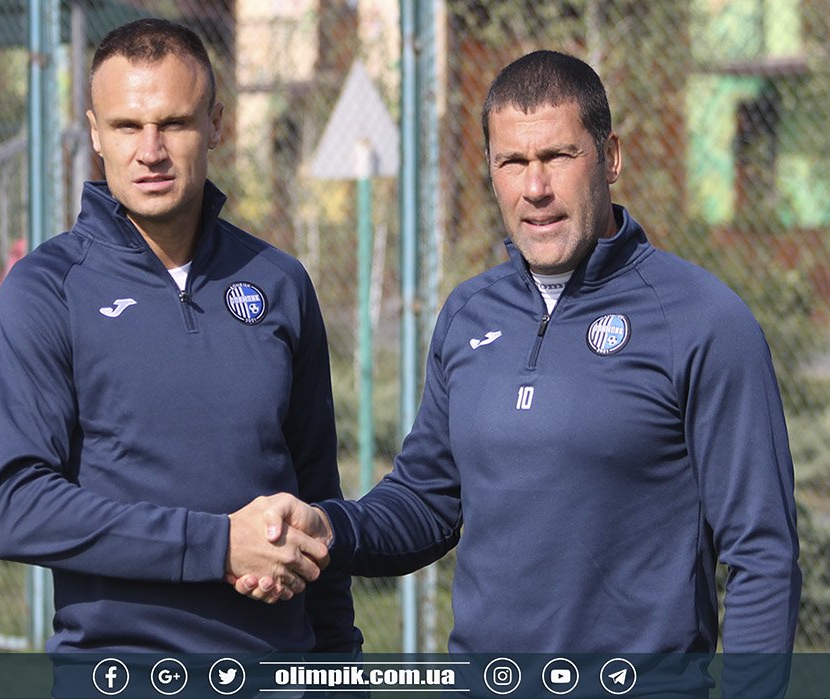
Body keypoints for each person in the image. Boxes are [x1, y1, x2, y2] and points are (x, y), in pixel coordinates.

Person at [236, 50, 802, 657]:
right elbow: (427, 501)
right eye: (513, 162)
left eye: (558, 156)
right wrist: (331, 528)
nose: (535, 189)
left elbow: (762, 552)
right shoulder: (469, 313)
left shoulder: (703, 320)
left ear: (610, 157)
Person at [0, 18, 360, 654]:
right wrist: (216, 546)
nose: (150, 151)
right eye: (127, 126)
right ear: (95, 133)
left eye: (174, 124)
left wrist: (339, 666)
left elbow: (316, 498)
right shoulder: (46, 290)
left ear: (216, 124)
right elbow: (17, 508)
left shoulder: (279, 281)